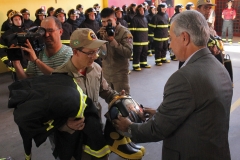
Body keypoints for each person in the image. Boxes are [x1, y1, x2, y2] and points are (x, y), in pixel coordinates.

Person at [113, 10, 233, 160]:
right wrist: (160, 113)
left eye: (171, 38)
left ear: (184, 38)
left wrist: (128, 127)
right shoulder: (218, 66)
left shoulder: (184, 78)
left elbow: (157, 129)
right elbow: (201, 113)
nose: (169, 44)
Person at [54, 28, 144, 160]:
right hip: (73, 136)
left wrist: (119, 98)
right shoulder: (60, 76)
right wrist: (65, 125)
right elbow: (51, 113)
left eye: (96, 51)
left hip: (95, 128)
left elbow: (106, 91)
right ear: (75, 51)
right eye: (90, 52)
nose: (95, 56)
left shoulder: (96, 69)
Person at [99, 7, 132, 94]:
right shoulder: (102, 32)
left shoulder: (125, 33)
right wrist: (100, 40)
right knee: (111, 101)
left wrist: (113, 41)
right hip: (106, 73)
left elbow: (128, 53)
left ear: (115, 19)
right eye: (103, 21)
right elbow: (102, 55)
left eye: (108, 21)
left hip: (120, 75)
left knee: (123, 102)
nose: (106, 24)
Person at [0, 10, 28, 81]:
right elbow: (2, 50)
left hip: (30, 66)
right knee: (19, 87)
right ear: (11, 21)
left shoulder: (28, 31)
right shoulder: (7, 34)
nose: (18, 21)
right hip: (16, 67)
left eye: (19, 19)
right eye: (15, 19)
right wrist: (8, 61)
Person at [129, 4, 151, 71]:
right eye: (140, 9)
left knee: (144, 52)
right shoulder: (135, 19)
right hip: (138, 41)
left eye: (143, 9)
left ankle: (143, 63)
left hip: (144, 39)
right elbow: (132, 31)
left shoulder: (145, 18)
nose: (142, 10)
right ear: (138, 11)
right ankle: (136, 65)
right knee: (137, 53)